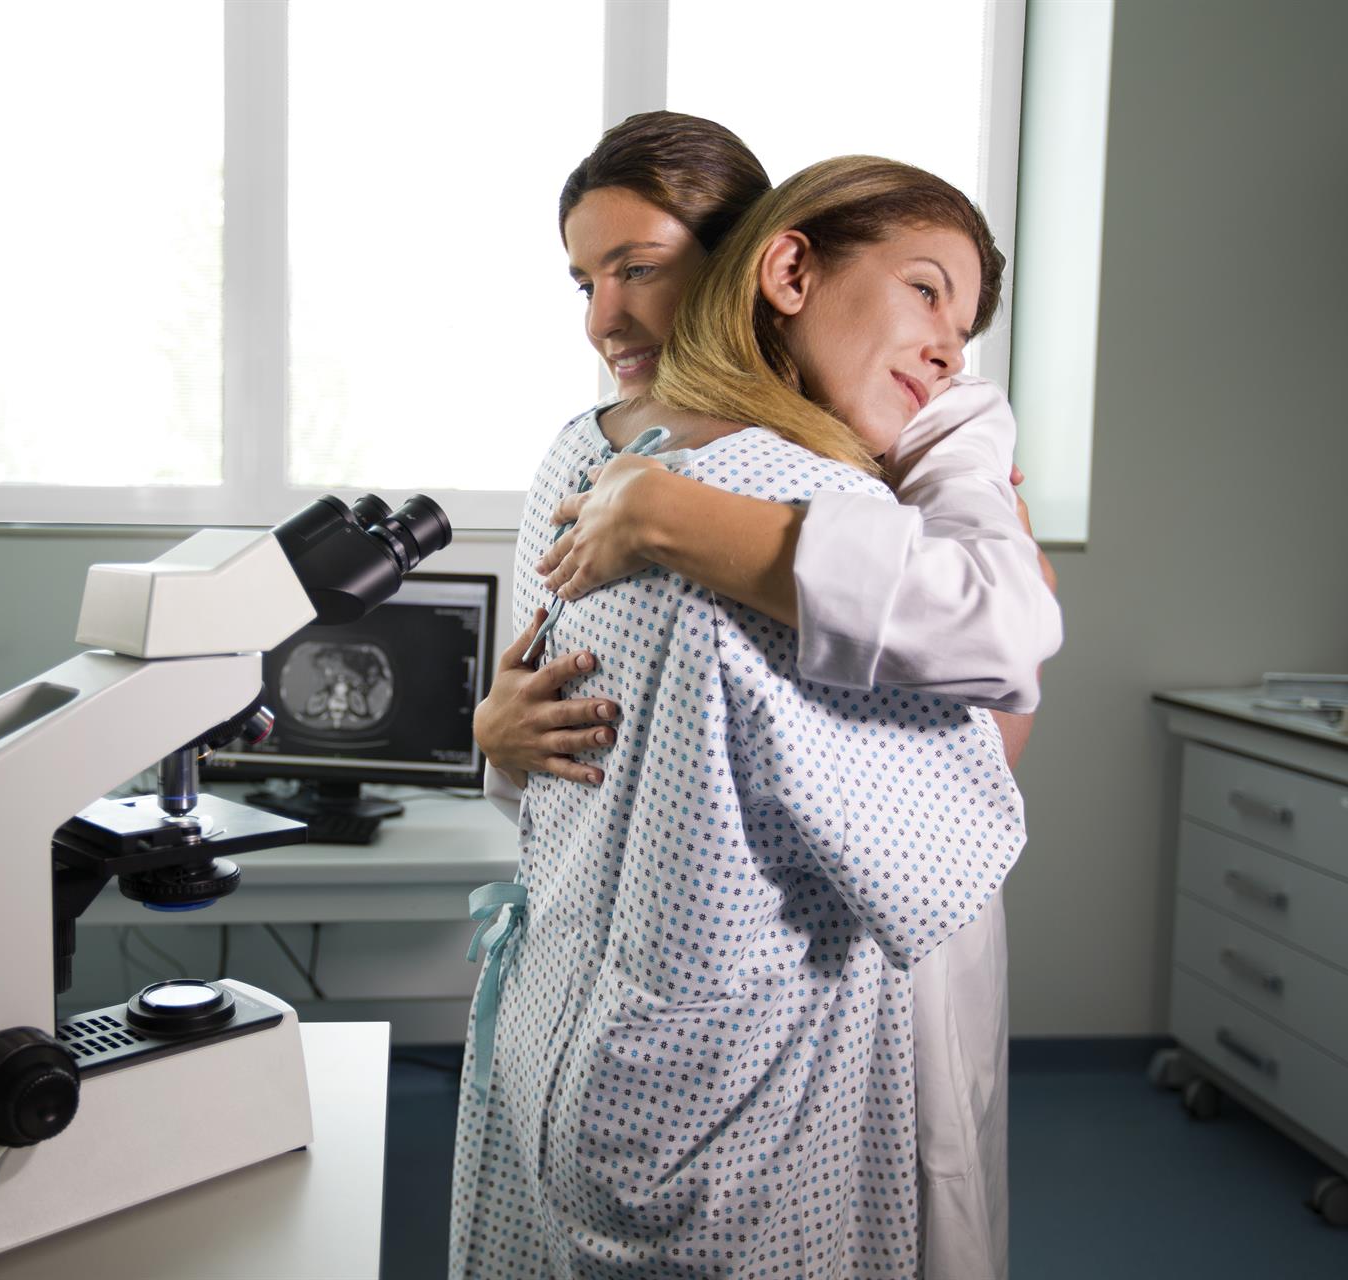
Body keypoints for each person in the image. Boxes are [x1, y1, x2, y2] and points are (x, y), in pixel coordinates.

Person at [463, 113, 1059, 1278]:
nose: (603, 316)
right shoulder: (667, 469)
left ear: (751, 265)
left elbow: (997, 641)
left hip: (703, 1001)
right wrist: (497, 735)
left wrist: (671, 516)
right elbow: (957, 796)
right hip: (699, 1020)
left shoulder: (855, 451)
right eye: (589, 277)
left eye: (637, 267)